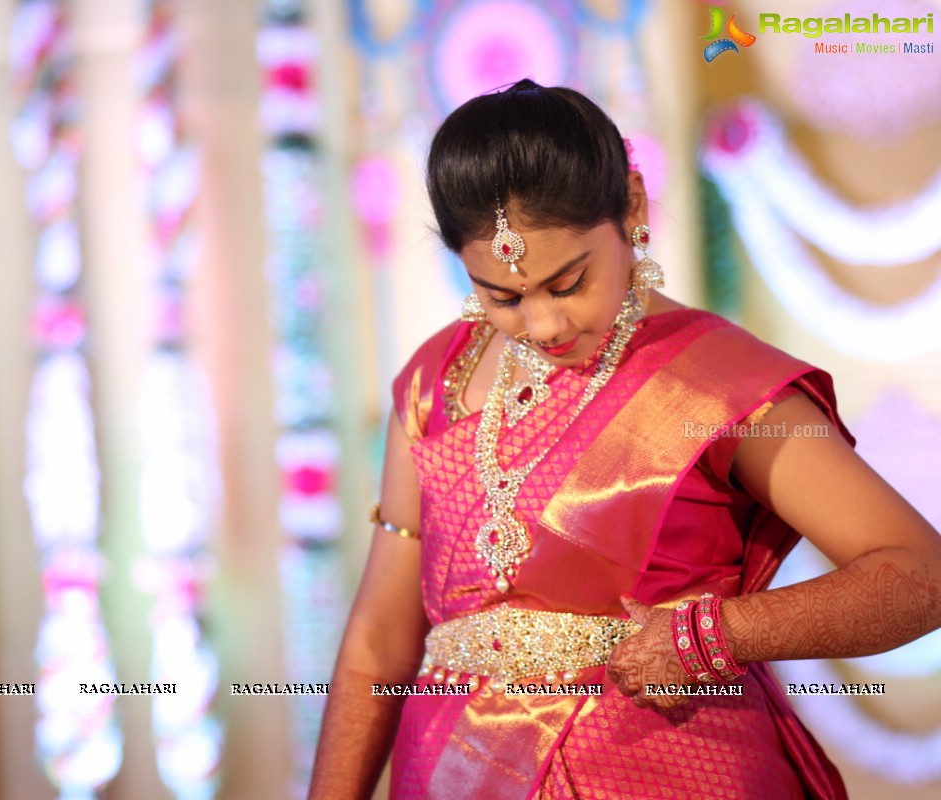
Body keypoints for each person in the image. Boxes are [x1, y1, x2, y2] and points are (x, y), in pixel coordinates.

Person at [308, 80, 941, 800]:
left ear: (633, 208)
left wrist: (716, 635)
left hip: (665, 770)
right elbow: (378, 639)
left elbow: (919, 575)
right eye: (503, 297)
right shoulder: (433, 384)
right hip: (451, 770)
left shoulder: (716, 383)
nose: (543, 325)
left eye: (569, 281)